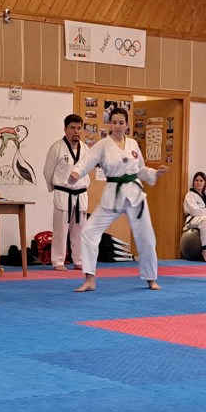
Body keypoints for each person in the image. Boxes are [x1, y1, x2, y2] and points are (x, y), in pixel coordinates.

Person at [69, 107, 166, 292]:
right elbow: (87, 160)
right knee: (89, 231)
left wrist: (155, 173)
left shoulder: (133, 144)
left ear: (127, 125)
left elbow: (140, 170)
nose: (118, 126)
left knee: (146, 237)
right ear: (110, 125)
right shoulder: (103, 145)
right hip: (113, 195)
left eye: (121, 122)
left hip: (135, 195)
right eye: (114, 122)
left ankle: (151, 278)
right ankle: (89, 279)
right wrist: (76, 172)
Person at [43, 114, 89, 271]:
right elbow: (48, 171)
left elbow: (88, 169)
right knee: (60, 230)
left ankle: (79, 260)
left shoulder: (85, 148)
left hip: (81, 193)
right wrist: (54, 188)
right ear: (65, 129)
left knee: (80, 229)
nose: (76, 131)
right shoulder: (57, 148)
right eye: (72, 128)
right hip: (63, 193)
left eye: (79, 128)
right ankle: (58, 261)